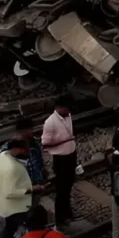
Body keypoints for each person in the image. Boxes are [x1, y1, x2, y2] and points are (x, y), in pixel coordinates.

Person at [0, 139, 39, 238]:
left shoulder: (3, 156)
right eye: (25, 148)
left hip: (6, 206)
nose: (26, 151)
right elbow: (10, 192)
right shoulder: (13, 167)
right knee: (17, 231)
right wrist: (31, 189)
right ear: (17, 148)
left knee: (8, 232)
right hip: (16, 207)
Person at [40, 95, 77, 228]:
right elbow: (45, 144)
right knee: (62, 190)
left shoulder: (68, 115)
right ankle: (60, 218)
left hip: (71, 155)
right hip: (61, 159)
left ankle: (68, 212)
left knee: (69, 187)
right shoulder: (50, 122)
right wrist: (65, 140)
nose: (69, 110)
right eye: (66, 108)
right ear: (59, 107)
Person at [0, 118, 44, 187]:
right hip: (19, 188)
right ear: (22, 131)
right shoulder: (7, 150)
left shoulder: (34, 144)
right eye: (30, 129)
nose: (32, 131)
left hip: (35, 185)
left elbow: (39, 163)